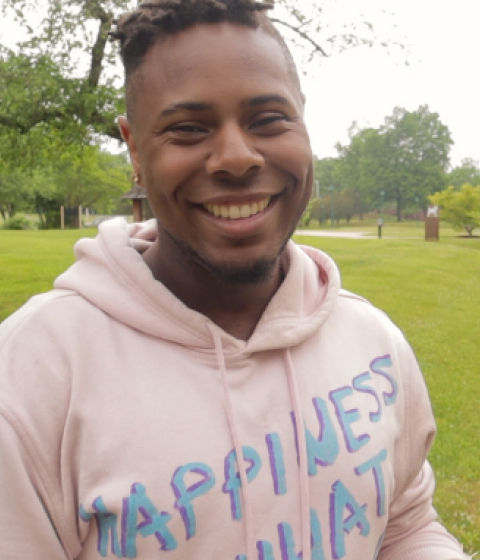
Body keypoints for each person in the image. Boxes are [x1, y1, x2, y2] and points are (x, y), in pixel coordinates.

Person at [0, 1, 470, 559]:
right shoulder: (34, 375)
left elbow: (405, 525)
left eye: (268, 120)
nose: (236, 157)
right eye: (188, 129)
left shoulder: (373, 342)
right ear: (133, 147)